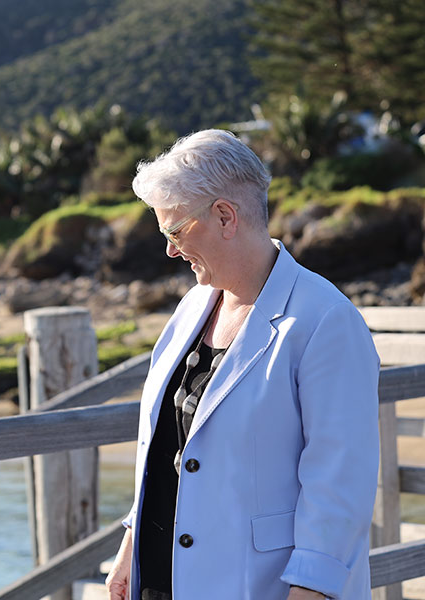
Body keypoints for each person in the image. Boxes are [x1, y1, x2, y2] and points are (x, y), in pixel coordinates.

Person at [105, 130, 380, 600]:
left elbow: (340, 485)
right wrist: (132, 542)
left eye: (174, 230)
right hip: (162, 581)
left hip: (257, 586)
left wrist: (310, 591)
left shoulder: (326, 320)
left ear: (225, 216)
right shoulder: (191, 307)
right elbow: (166, 446)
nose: (170, 249)